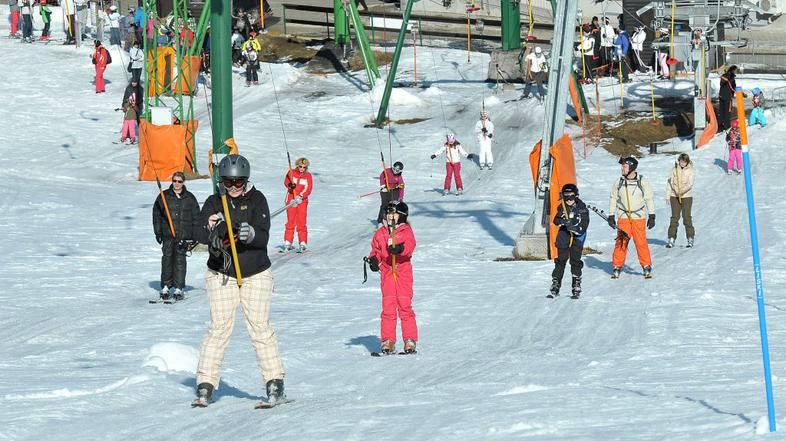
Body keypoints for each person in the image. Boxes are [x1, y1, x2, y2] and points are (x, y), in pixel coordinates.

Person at [193, 154, 286, 407]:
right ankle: (205, 385)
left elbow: (264, 235)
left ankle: (274, 383)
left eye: (239, 183)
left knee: (259, 327)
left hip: (255, 273)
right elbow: (198, 231)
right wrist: (211, 228)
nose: (234, 188)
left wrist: (252, 233)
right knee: (219, 328)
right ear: (221, 181)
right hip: (222, 274)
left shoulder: (257, 199)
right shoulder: (214, 202)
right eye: (228, 183)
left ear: (246, 181)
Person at [366, 201, 418, 355]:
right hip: (388, 273)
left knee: (404, 306)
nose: (390, 217)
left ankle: (410, 340)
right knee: (388, 308)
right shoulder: (380, 233)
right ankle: (388, 340)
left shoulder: (405, 231)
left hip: (402, 272)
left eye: (393, 214)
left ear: (401, 216)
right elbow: (375, 250)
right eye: (388, 214)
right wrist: (374, 260)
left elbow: (410, 245)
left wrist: (400, 249)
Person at [153, 171, 200, 300]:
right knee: (167, 260)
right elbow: (156, 215)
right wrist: (158, 232)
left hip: (183, 235)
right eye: (174, 181)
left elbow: (197, 218)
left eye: (179, 181)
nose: (177, 184)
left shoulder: (190, 198)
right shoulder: (164, 196)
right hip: (168, 234)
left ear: (183, 182)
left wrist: (195, 235)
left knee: (180, 261)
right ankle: (166, 286)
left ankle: (179, 288)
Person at [607, 157, 655, 279]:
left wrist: (652, 215)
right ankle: (617, 266)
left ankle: (646, 266)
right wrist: (611, 215)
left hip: (638, 217)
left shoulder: (642, 181)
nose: (622, 168)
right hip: (623, 217)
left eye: (624, 166)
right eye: (622, 166)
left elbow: (649, 198)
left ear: (632, 167)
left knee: (641, 242)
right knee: (621, 242)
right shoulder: (619, 182)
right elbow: (613, 198)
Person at [550, 183, 590, 298]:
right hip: (564, 236)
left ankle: (576, 283)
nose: (568, 199)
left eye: (571, 196)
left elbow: (584, 225)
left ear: (576, 196)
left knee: (575, 260)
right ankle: (556, 283)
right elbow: (556, 220)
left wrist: (574, 228)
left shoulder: (582, 208)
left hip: (577, 237)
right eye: (565, 196)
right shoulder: (561, 207)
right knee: (561, 260)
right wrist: (562, 222)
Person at [283, 157, 313, 252]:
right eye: (300, 166)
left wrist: (301, 196)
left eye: (304, 167)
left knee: (301, 221)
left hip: (302, 201)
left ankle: (302, 242)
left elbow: (308, 188)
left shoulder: (308, 176)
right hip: (291, 199)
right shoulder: (291, 172)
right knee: (290, 221)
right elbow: (286, 181)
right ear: (297, 166)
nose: (302, 169)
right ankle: (288, 242)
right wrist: (290, 186)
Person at [665, 153, 695, 248]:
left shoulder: (690, 171)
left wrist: (681, 191)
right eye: (681, 161)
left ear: (687, 162)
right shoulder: (674, 170)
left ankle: (690, 238)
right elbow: (669, 183)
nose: (682, 163)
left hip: (686, 197)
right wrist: (667, 196)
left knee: (686, 217)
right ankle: (671, 238)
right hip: (674, 197)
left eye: (684, 162)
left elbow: (690, 184)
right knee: (674, 217)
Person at [376, 161, 405, 226]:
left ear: (400, 171)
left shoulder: (399, 177)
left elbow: (402, 187)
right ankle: (380, 221)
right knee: (384, 205)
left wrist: (400, 197)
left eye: (397, 170)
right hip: (385, 190)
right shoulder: (387, 171)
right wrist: (383, 186)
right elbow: (381, 176)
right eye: (394, 169)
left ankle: (392, 221)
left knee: (393, 205)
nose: (395, 171)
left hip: (394, 190)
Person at [717, 65, 738, 132]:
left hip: (721, 96)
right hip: (727, 97)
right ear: (733, 70)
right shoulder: (730, 77)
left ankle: (719, 125)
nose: (736, 72)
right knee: (727, 112)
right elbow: (732, 87)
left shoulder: (724, 75)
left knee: (721, 111)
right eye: (736, 70)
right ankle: (727, 126)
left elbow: (722, 84)